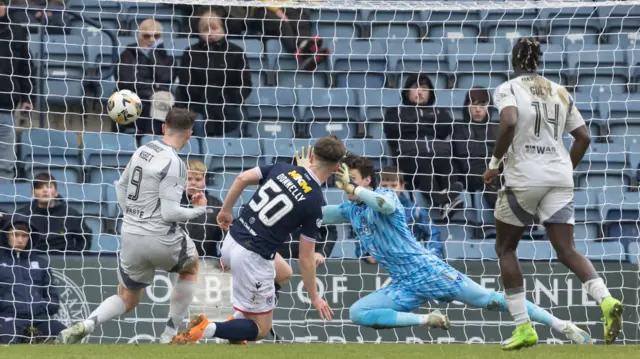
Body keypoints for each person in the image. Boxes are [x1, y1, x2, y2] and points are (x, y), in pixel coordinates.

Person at [321, 154, 592, 345]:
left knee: (491, 300)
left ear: (367, 181)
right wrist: (303, 182)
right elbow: (316, 213)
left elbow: (387, 207)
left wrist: (354, 187)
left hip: (430, 272)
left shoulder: (388, 195)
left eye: (352, 179)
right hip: (404, 285)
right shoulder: (349, 209)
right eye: (343, 180)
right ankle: (428, 319)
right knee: (358, 313)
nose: (345, 185)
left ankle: (562, 326)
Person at [482, 37, 623, 350]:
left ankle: (524, 328)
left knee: (506, 249)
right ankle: (606, 299)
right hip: (560, 177)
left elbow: (507, 123)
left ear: (514, 60)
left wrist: (493, 165)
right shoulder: (560, 91)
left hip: (524, 176)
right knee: (567, 250)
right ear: (538, 61)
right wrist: (564, 169)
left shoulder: (508, 87)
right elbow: (584, 137)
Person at [172, 136, 346, 344]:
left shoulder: (282, 168)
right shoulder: (315, 201)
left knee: (283, 273)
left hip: (232, 239)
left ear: (312, 156)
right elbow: (306, 257)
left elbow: (241, 179)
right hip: (253, 257)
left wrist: (226, 211)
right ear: (336, 168)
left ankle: (236, 326)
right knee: (262, 329)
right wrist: (315, 297)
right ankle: (206, 328)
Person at [56, 108, 207, 344]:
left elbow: (120, 187)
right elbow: (170, 213)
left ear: (163, 128)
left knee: (127, 297)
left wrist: (133, 215)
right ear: (189, 135)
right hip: (160, 236)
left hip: (130, 233)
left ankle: (87, 324)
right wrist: (200, 209)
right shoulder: (176, 163)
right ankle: (169, 334)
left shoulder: (143, 149)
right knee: (190, 267)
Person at [383, 73, 463, 217]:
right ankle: (441, 200)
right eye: (415, 88)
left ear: (430, 93)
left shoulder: (440, 112)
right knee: (423, 164)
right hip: (408, 160)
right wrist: (427, 126)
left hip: (437, 157)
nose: (419, 92)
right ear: (407, 91)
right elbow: (393, 129)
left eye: (424, 88)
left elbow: (446, 128)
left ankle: (446, 199)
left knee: (449, 165)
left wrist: (415, 126)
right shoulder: (394, 112)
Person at [176, 10, 252, 137]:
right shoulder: (190, 53)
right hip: (198, 106)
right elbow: (186, 84)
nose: (210, 33)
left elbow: (245, 84)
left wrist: (228, 102)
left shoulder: (236, 52)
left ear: (223, 29)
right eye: (206, 30)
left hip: (229, 105)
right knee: (199, 121)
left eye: (215, 28)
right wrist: (202, 102)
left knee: (235, 119)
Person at [0, 214, 67, 344]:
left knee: (66, 336)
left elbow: (53, 300)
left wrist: (38, 307)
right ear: (6, 235)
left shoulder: (41, 263)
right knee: (8, 341)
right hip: (7, 319)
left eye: (24, 235)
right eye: (15, 234)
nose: (20, 240)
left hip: (39, 319)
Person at [116, 18, 175, 136]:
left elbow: (166, 79)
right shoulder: (128, 54)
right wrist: (152, 87)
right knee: (155, 99)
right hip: (131, 97)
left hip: (155, 97)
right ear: (139, 36)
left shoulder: (166, 57)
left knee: (161, 99)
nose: (151, 40)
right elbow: (127, 81)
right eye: (147, 36)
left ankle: (152, 138)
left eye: (156, 36)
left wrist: (153, 54)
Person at [17, 173, 92, 252]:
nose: (45, 190)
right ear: (33, 193)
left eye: (49, 187)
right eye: (39, 187)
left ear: (56, 192)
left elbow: (85, 238)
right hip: (33, 259)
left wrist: (74, 257)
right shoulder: (22, 214)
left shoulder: (71, 214)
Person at [0, 1, 33, 183]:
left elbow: (25, 66)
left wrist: (27, 96)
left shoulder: (16, 31)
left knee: (5, 165)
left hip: (5, 107)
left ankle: (3, 205)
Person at [453, 87, 499, 209]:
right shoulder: (459, 128)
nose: (478, 109)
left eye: (482, 105)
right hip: (471, 174)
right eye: (474, 105)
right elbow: (465, 152)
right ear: (467, 106)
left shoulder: (497, 128)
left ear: (489, 108)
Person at [180, 160, 224, 257]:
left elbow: (225, 233)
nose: (193, 183)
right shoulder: (173, 203)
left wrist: (225, 256)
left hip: (207, 260)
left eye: (198, 179)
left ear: (205, 181)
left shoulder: (215, 204)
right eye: (189, 179)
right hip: (175, 261)